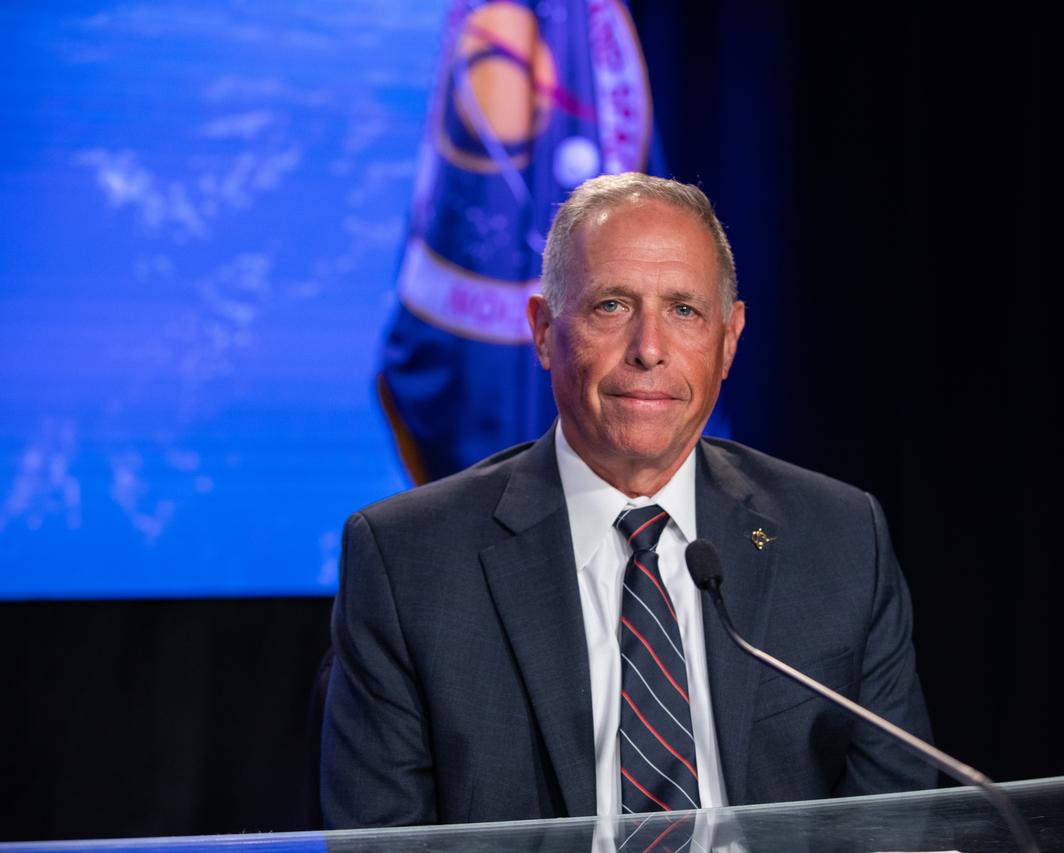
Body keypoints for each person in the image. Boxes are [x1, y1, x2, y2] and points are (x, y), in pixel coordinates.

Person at [320, 173, 934, 829]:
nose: (649, 349)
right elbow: (382, 840)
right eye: (611, 305)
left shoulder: (839, 538)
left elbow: (896, 824)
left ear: (729, 340)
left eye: (684, 311)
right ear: (543, 328)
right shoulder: (408, 561)